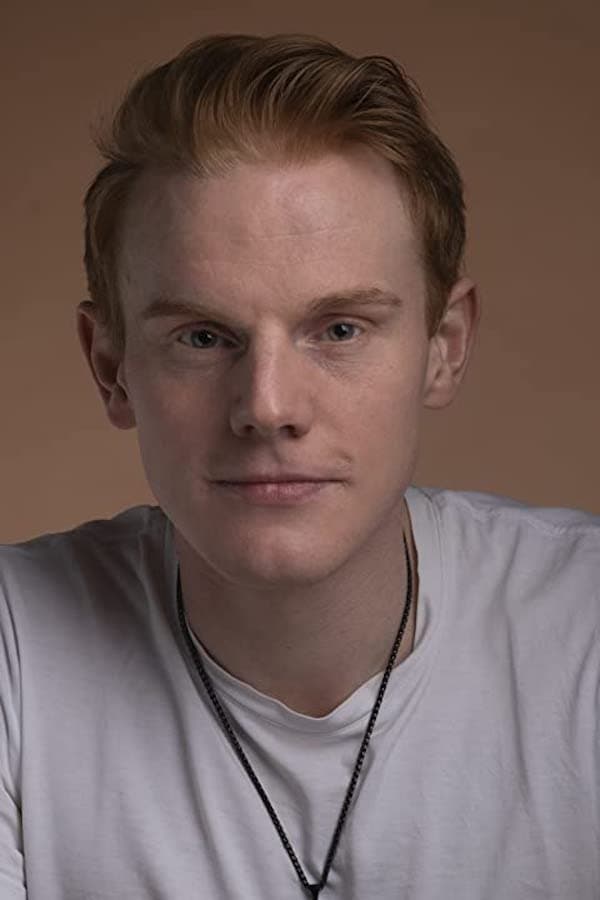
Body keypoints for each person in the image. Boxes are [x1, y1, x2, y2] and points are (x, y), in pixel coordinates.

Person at [1, 32, 598, 900]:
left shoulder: (584, 631)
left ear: (443, 347)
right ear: (111, 367)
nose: (269, 404)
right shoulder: (16, 647)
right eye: (203, 337)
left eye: (340, 329)